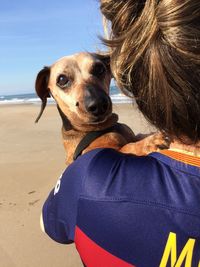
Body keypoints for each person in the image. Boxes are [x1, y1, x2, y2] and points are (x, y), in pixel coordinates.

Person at [40, 0, 200, 266]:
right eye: (64, 81)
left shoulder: (82, 180)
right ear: (49, 93)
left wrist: (73, 179)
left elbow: (49, 225)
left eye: (99, 71)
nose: (91, 96)